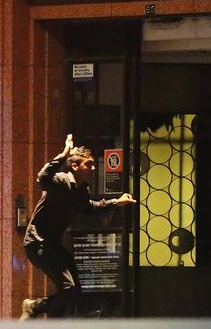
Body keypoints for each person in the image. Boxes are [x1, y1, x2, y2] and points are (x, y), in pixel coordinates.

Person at [20, 134, 135, 320]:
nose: (93, 168)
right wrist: (64, 154)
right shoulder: (61, 181)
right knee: (68, 288)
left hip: (53, 245)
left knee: (74, 292)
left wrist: (117, 201)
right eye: (88, 165)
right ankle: (34, 306)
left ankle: (46, 316)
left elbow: (91, 207)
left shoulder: (81, 190)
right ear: (75, 166)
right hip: (38, 243)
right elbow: (42, 177)